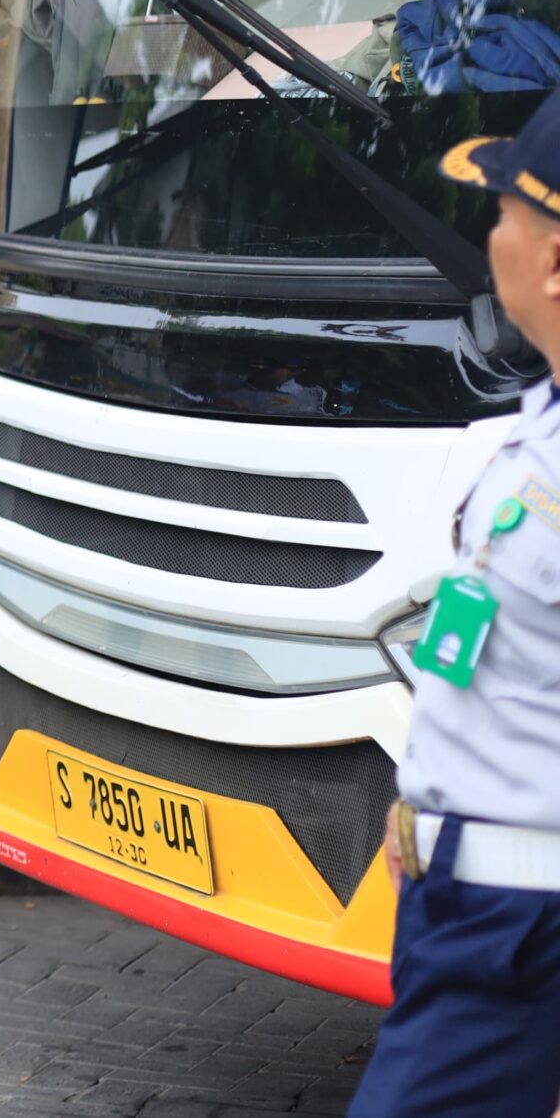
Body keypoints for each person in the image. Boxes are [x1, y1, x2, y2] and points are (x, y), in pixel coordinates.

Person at [349, 96, 560, 1118]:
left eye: (504, 211)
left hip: (522, 934)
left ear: (554, 262)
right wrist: (425, 791)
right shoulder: (534, 422)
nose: (487, 235)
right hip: (457, 904)